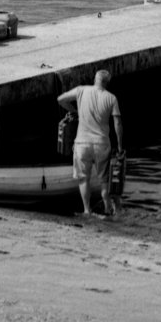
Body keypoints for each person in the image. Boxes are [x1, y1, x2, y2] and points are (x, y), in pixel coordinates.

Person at [57, 70, 123, 217]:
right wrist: (119, 146)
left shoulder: (81, 90)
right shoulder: (111, 98)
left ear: (95, 79)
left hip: (82, 144)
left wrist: (75, 111)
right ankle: (107, 210)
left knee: (83, 178)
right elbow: (117, 123)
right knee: (104, 179)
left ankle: (87, 210)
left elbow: (60, 99)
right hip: (101, 144)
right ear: (107, 83)